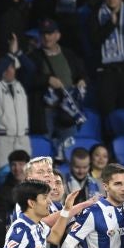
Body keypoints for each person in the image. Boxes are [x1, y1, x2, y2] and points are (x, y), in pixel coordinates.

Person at [28, 18, 87, 162]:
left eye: (50, 33)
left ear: (57, 35)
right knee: (45, 152)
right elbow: (28, 79)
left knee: (67, 150)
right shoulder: (33, 57)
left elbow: (81, 73)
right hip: (46, 110)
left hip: (67, 109)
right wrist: (47, 80)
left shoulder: (68, 54)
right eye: (44, 34)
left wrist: (82, 80)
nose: (47, 37)